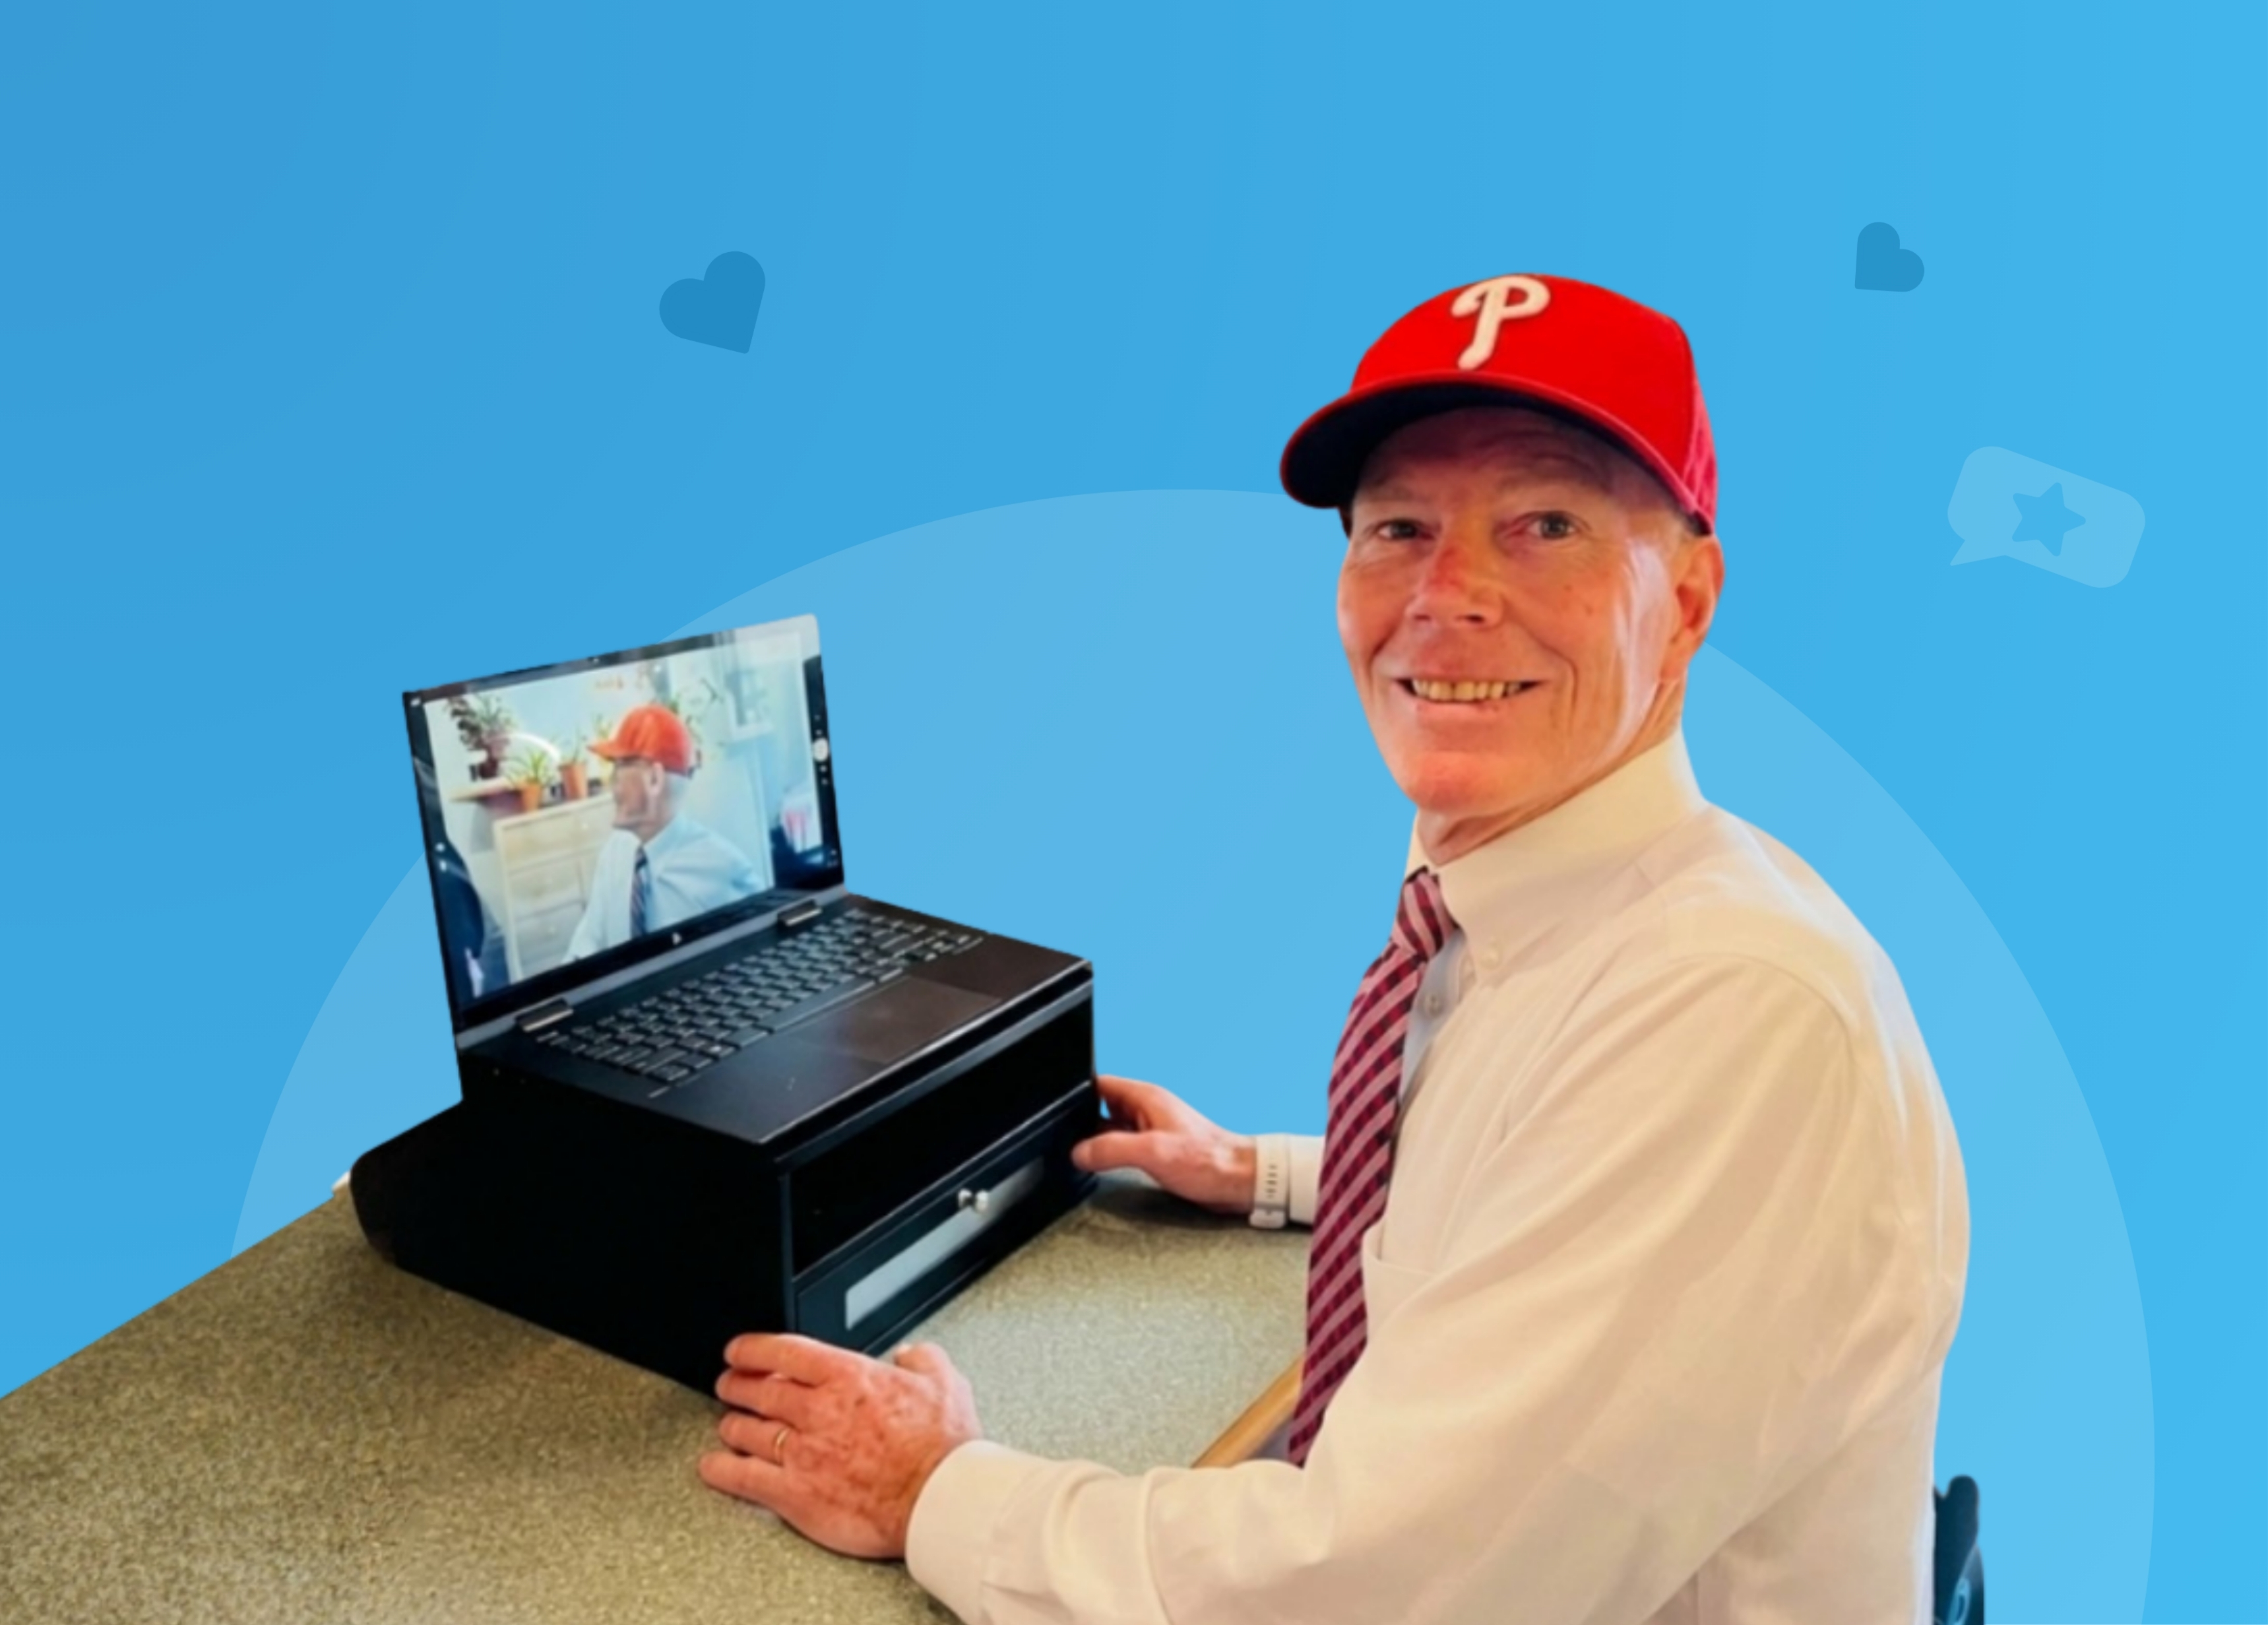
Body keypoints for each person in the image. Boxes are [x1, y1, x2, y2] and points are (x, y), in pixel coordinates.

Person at [695, 274, 1969, 1623]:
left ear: (1691, 597)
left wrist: (938, 1487)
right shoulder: (1546, 900)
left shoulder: (1730, 1006)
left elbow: (1381, 1589)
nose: (1448, 594)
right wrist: (1277, 1176)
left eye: (1545, 523)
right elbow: (1549, 1166)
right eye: (1398, 527)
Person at [563, 703, 761, 961]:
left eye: (619, 767)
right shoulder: (615, 852)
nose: (611, 783)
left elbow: (762, 952)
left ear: (654, 780)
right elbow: (588, 942)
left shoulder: (723, 869)